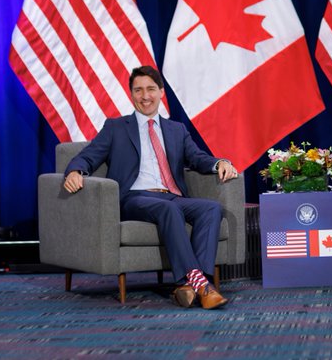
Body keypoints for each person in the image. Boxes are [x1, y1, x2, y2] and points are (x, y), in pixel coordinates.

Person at [63, 66, 238, 309]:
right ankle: (203, 285)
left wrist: (220, 163)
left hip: (172, 196)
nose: (145, 96)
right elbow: (89, 156)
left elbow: (197, 158)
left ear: (161, 92)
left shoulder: (176, 130)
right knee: (169, 211)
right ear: (131, 94)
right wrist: (75, 171)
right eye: (138, 90)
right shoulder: (116, 127)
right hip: (135, 197)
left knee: (210, 209)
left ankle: (190, 287)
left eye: (150, 89)